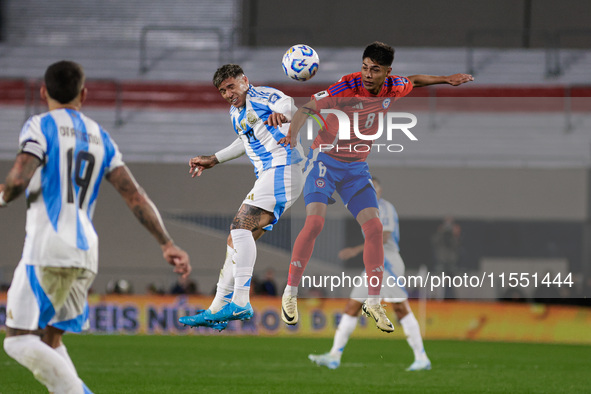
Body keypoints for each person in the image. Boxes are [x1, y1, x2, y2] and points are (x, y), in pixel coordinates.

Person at [0, 61, 191, 394]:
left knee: (16, 341)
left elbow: (18, 178)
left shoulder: (39, 125)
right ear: (83, 94)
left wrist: (2, 197)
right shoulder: (100, 136)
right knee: (51, 339)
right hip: (86, 251)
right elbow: (134, 195)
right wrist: (167, 242)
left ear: (44, 92)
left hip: (46, 249)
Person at [278, 41, 474, 332]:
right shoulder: (345, 87)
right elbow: (307, 108)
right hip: (325, 161)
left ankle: (373, 301)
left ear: (387, 72)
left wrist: (447, 79)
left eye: (375, 70)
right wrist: (292, 135)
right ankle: (290, 292)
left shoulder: (393, 86)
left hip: (356, 168)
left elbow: (416, 81)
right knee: (316, 222)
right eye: (365, 67)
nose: (368, 74)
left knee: (375, 229)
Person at [178, 64, 305, 328]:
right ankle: (216, 310)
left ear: (245, 81)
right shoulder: (235, 113)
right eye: (222, 90)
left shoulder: (262, 97)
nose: (228, 93)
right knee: (235, 240)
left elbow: (290, 105)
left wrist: (281, 114)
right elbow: (243, 141)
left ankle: (241, 301)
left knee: (239, 228)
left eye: (231, 86)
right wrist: (214, 159)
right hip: (271, 175)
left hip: (284, 167)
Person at [308, 178, 431, 371]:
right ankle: (334, 356)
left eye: (375, 189)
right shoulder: (365, 210)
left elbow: (385, 236)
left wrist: (355, 250)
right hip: (374, 264)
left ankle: (422, 357)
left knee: (400, 308)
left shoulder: (385, 207)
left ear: (380, 191)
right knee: (352, 306)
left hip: (388, 263)